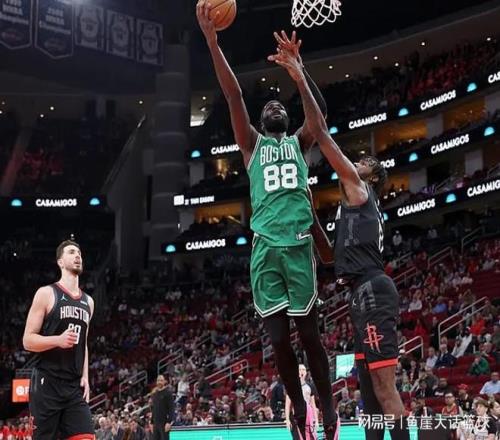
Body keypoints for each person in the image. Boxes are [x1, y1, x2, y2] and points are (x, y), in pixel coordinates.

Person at [196, 7, 338, 439]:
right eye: (269, 106)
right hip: (265, 249)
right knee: (278, 340)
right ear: (260, 123)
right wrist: (212, 44)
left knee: (310, 337)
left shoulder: (300, 141)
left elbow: (319, 119)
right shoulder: (252, 145)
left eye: (281, 105)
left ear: (287, 119)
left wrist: (299, 73)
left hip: (297, 246)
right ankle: (298, 404)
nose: (275, 106)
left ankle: (328, 403)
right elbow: (234, 96)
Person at [268, 40, 409, 440]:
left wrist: (300, 75)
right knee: (368, 392)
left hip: (373, 290)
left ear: (372, 175)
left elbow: (322, 133)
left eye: (364, 161)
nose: (356, 161)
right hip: (359, 291)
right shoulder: (353, 207)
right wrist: (306, 215)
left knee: (384, 388)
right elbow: (330, 256)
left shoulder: (361, 189)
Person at [22, 240, 94, 440]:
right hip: (47, 382)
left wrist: (85, 376)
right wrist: (57, 340)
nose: (77, 255)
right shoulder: (46, 293)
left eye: (79, 253)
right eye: (71, 252)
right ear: (60, 262)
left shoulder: (89, 302)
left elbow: (83, 343)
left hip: (73, 386)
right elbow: (27, 340)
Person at [285, 364, 318, 439]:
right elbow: (287, 405)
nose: (301, 371)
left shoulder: (310, 386)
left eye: (303, 370)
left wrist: (316, 420)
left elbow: (313, 404)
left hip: (307, 416)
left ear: (306, 372)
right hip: (295, 417)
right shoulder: (291, 387)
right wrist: (287, 420)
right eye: (299, 370)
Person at [150, 375, 175, 440]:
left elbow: (171, 408)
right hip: (156, 423)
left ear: (164, 381)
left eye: (161, 380)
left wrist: (169, 422)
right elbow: (154, 409)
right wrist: (151, 422)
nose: (159, 382)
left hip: (164, 422)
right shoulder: (154, 394)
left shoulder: (168, 393)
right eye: (158, 380)